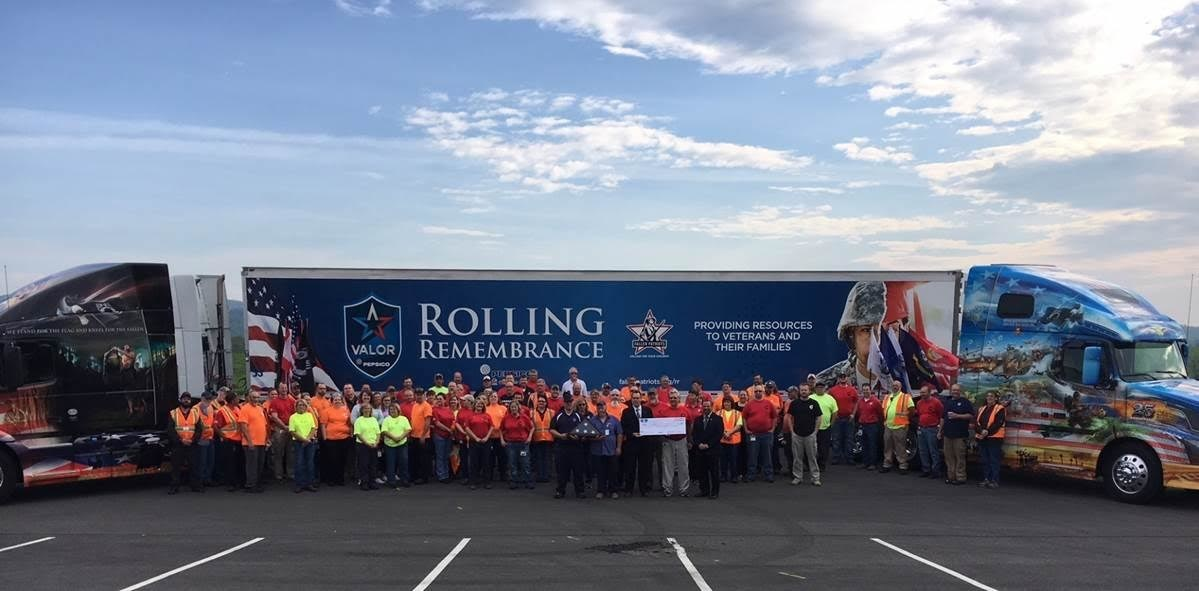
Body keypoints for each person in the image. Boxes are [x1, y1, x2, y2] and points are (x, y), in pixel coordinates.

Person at [550, 396, 588, 499]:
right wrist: (561, 436)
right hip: (562, 447)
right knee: (562, 471)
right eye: (567, 402)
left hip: (576, 447)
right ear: (564, 403)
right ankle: (560, 491)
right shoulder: (558, 415)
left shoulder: (579, 415)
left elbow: (586, 430)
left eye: (570, 402)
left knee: (578, 471)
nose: (569, 404)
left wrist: (579, 436)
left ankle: (580, 491)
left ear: (573, 403)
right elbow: (552, 430)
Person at [620, 389, 655, 497]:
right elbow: (623, 427)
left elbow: (652, 425)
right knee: (630, 467)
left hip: (645, 443)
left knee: (644, 467)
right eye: (634, 398)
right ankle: (629, 489)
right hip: (631, 443)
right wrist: (632, 434)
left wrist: (645, 433)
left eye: (637, 398)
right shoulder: (626, 412)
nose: (636, 400)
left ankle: (643, 489)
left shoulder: (647, 410)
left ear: (641, 399)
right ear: (631, 399)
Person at [657, 390, 692, 497]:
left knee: (683, 465)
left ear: (679, 399)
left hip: (682, 440)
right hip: (668, 441)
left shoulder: (685, 410)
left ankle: (684, 489)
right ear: (669, 399)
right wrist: (662, 438)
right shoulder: (663, 411)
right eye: (671, 398)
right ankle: (667, 489)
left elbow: (689, 426)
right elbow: (659, 427)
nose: (673, 399)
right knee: (667, 465)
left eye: (675, 398)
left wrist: (689, 440)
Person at [786, 385, 822, 486]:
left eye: (805, 390)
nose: (803, 392)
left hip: (810, 435)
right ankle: (798, 477)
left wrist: (815, 432)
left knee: (812, 457)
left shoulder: (814, 403)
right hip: (797, 435)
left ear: (809, 391)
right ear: (799, 391)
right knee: (797, 457)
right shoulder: (794, 403)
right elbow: (789, 417)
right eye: (802, 390)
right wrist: (792, 431)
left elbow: (819, 417)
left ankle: (815, 478)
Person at [167, 392, 203, 495]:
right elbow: (170, 430)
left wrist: (193, 440)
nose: (186, 401)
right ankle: (174, 487)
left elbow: (199, 429)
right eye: (184, 399)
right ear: (180, 400)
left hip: (192, 444)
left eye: (188, 399)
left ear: (190, 401)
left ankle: (195, 486)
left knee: (194, 466)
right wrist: (180, 440)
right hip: (178, 445)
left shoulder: (195, 413)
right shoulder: (173, 413)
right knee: (176, 467)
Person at [743, 385, 778, 483]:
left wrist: (772, 429)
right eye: (756, 391)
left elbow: (775, 417)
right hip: (753, 434)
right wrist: (746, 429)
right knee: (752, 455)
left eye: (760, 391)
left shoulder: (769, 403)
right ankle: (751, 475)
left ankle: (769, 475)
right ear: (754, 393)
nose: (758, 393)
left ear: (763, 392)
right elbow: (744, 418)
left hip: (766, 434)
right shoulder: (749, 404)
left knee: (767, 456)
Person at [941, 383, 975, 485]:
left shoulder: (965, 402)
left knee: (959, 457)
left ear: (960, 391)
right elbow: (943, 417)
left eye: (957, 390)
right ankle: (951, 477)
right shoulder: (948, 402)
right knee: (949, 457)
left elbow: (970, 416)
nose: (955, 392)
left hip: (960, 435)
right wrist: (940, 431)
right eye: (953, 390)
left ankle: (960, 477)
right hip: (947, 434)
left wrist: (957, 416)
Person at [589, 400, 622, 499]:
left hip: (611, 450)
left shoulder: (614, 420)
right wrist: (595, 438)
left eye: (602, 406)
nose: (601, 408)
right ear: (597, 408)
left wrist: (619, 447)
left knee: (613, 472)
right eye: (599, 407)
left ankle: (613, 491)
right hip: (597, 450)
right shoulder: (592, 421)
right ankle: (601, 491)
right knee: (600, 472)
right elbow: (587, 436)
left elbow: (619, 434)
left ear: (605, 407)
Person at [213, 390, 245, 491]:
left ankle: (239, 482)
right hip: (229, 440)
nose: (238, 400)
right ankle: (231, 483)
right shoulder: (222, 411)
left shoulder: (238, 408)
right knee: (230, 463)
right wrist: (223, 436)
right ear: (232, 400)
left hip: (239, 439)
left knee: (239, 462)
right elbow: (216, 426)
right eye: (236, 398)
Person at [238, 391, 269, 493]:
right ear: (249, 398)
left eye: (257, 398)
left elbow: (264, 425)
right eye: (253, 398)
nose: (256, 400)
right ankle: (250, 485)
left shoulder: (260, 409)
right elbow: (243, 426)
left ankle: (257, 483)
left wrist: (266, 439)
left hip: (261, 442)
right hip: (251, 443)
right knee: (251, 465)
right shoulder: (245, 409)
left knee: (260, 464)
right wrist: (250, 441)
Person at [880, 381, 914, 474]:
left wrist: (905, 417)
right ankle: (887, 464)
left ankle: (903, 465)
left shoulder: (905, 397)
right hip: (888, 425)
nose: (895, 387)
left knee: (900, 447)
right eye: (893, 385)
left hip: (900, 426)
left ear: (900, 387)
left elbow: (912, 410)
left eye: (897, 385)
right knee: (887, 446)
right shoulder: (887, 397)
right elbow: (884, 410)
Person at [500, 399, 535, 490]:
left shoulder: (524, 417)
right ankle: (513, 481)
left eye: (515, 407)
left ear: (518, 408)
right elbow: (501, 429)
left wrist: (529, 437)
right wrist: (502, 440)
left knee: (525, 462)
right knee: (512, 463)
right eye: (512, 407)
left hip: (523, 444)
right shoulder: (506, 418)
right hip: (511, 444)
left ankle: (528, 481)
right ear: (509, 408)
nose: (513, 409)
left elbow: (532, 428)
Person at [693, 399, 724, 499]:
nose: (706, 408)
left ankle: (714, 492)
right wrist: (699, 444)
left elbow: (718, 434)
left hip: (713, 450)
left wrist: (708, 445)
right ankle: (704, 490)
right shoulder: (697, 419)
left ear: (712, 406)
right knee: (702, 472)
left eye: (708, 406)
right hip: (700, 450)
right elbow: (695, 434)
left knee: (714, 472)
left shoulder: (718, 419)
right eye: (704, 406)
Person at [319, 393, 352, 486]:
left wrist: (350, 434)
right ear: (332, 401)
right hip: (331, 439)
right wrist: (325, 438)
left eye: (339, 399)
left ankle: (340, 479)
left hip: (344, 438)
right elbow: (323, 425)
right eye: (335, 399)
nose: (337, 401)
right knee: (332, 460)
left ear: (342, 401)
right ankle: (331, 479)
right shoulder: (326, 411)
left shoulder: (345, 409)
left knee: (342, 459)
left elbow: (349, 423)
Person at [975, 391, 1006, 489]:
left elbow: (998, 423)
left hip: (994, 438)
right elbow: (977, 423)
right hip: (982, 438)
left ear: (996, 398)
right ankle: (986, 479)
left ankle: (994, 480)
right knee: (985, 460)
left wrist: (987, 431)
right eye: (987, 396)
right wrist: (981, 431)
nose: (989, 398)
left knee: (994, 460)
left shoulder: (1000, 408)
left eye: (992, 396)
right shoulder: (982, 408)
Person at [267, 385, 297, 482]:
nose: (284, 390)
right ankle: (278, 475)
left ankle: (291, 474)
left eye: (285, 388)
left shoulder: (292, 401)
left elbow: (296, 414)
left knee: (291, 452)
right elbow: (274, 417)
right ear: (278, 389)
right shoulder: (274, 402)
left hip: (291, 427)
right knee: (278, 452)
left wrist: (291, 427)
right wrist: (284, 427)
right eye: (282, 388)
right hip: (279, 428)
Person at [463, 399, 494, 490]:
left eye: (481, 404)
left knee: (486, 462)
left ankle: (487, 482)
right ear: (474, 405)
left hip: (486, 442)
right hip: (474, 442)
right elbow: (467, 428)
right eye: (477, 404)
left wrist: (487, 438)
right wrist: (475, 438)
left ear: (483, 406)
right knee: (474, 463)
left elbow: (492, 427)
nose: (479, 405)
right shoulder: (470, 416)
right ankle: (473, 482)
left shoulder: (487, 416)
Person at [828, 374, 859, 465]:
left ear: (847, 378)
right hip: (837, 418)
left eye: (844, 377)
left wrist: (853, 414)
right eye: (841, 377)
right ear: (838, 379)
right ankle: (836, 458)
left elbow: (856, 402)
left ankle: (849, 458)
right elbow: (829, 402)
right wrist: (833, 414)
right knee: (836, 438)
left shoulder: (852, 390)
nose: (843, 378)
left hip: (849, 418)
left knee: (849, 439)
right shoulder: (833, 390)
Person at [915, 385, 945, 479]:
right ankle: (926, 470)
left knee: (933, 451)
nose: (922, 394)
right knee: (923, 451)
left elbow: (942, 416)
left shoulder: (936, 402)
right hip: (921, 429)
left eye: (924, 392)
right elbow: (920, 414)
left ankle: (936, 471)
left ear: (929, 392)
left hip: (932, 429)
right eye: (921, 392)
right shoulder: (919, 403)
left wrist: (940, 430)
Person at [289, 398, 319, 493]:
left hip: (310, 442)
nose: (301, 407)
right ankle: (299, 484)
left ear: (306, 407)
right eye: (299, 405)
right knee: (299, 463)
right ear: (296, 407)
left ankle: (310, 483)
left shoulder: (309, 415)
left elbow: (313, 428)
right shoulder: (293, 417)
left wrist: (308, 439)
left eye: (303, 405)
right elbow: (292, 431)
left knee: (310, 463)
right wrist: (304, 440)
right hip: (298, 442)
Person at [381, 402, 412, 489]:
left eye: (394, 409)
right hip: (390, 445)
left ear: (398, 410)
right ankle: (391, 481)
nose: (393, 410)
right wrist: (394, 438)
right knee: (391, 463)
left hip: (402, 443)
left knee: (404, 462)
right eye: (391, 409)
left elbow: (408, 429)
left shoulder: (403, 419)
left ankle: (404, 480)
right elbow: (384, 431)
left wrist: (400, 437)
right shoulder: (386, 419)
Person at [406, 389, 433, 485]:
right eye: (417, 394)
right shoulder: (415, 405)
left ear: (424, 395)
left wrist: (423, 435)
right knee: (414, 458)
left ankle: (423, 477)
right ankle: (414, 476)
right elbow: (413, 420)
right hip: (414, 436)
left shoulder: (427, 406)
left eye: (420, 394)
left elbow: (427, 422)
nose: (419, 396)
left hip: (423, 437)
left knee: (423, 459)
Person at [809, 381, 838, 472]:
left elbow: (835, 412)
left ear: (825, 388)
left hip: (825, 428)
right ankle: (811, 464)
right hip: (811, 428)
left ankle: (821, 465)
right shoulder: (810, 398)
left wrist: (831, 424)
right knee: (810, 447)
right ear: (815, 388)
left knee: (824, 448)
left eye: (821, 387)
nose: (820, 389)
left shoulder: (830, 398)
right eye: (818, 387)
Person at [353, 402, 382, 491]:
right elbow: (357, 433)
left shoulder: (373, 419)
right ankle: (364, 482)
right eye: (365, 408)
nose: (367, 410)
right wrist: (366, 443)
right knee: (364, 464)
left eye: (369, 408)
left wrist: (376, 442)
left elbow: (378, 432)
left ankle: (372, 482)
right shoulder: (359, 420)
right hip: (362, 445)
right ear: (362, 410)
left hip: (374, 445)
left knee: (373, 464)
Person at [855, 385, 883, 470]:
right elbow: (859, 412)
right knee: (863, 445)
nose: (865, 391)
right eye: (864, 390)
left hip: (872, 426)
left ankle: (872, 464)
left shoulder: (875, 401)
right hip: (862, 425)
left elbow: (880, 413)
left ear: (870, 390)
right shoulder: (860, 401)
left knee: (872, 445)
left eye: (867, 390)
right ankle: (865, 462)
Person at [431, 395, 456, 483]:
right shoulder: (434, 410)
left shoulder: (448, 409)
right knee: (440, 456)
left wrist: (452, 428)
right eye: (437, 399)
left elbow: (453, 420)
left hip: (448, 436)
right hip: (439, 435)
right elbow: (437, 423)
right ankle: (441, 475)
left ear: (445, 400)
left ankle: (446, 474)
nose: (439, 401)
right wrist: (448, 429)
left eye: (441, 399)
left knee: (446, 455)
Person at [194, 391, 218, 487]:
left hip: (210, 437)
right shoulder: (195, 409)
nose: (208, 401)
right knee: (202, 462)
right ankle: (200, 481)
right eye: (206, 399)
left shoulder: (210, 407)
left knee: (210, 461)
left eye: (210, 399)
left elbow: (211, 422)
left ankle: (208, 479)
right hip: (201, 439)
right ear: (202, 399)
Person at [530, 396, 555, 483]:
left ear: (546, 403)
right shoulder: (532, 413)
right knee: (538, 458)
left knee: (547, 458)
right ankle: (540, 475)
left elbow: (554, 426)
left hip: (549, 439)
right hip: (537, 439)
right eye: (540, 401)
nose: (541, 403)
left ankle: (547, 475)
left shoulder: (551, 412)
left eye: (543, 401)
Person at [718, 396, 743, 484]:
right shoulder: (719, 413)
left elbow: (739, 425)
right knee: (723, 460)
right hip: (722, 440)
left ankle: (734, 476)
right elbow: (718, 426)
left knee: (733, 459)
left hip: (734, 441)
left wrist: (729, 433)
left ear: (732, 403)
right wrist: (725, 433)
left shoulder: (738, 413)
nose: (727, 403)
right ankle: (723, 476)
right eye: (725, 402)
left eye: (728, 402)